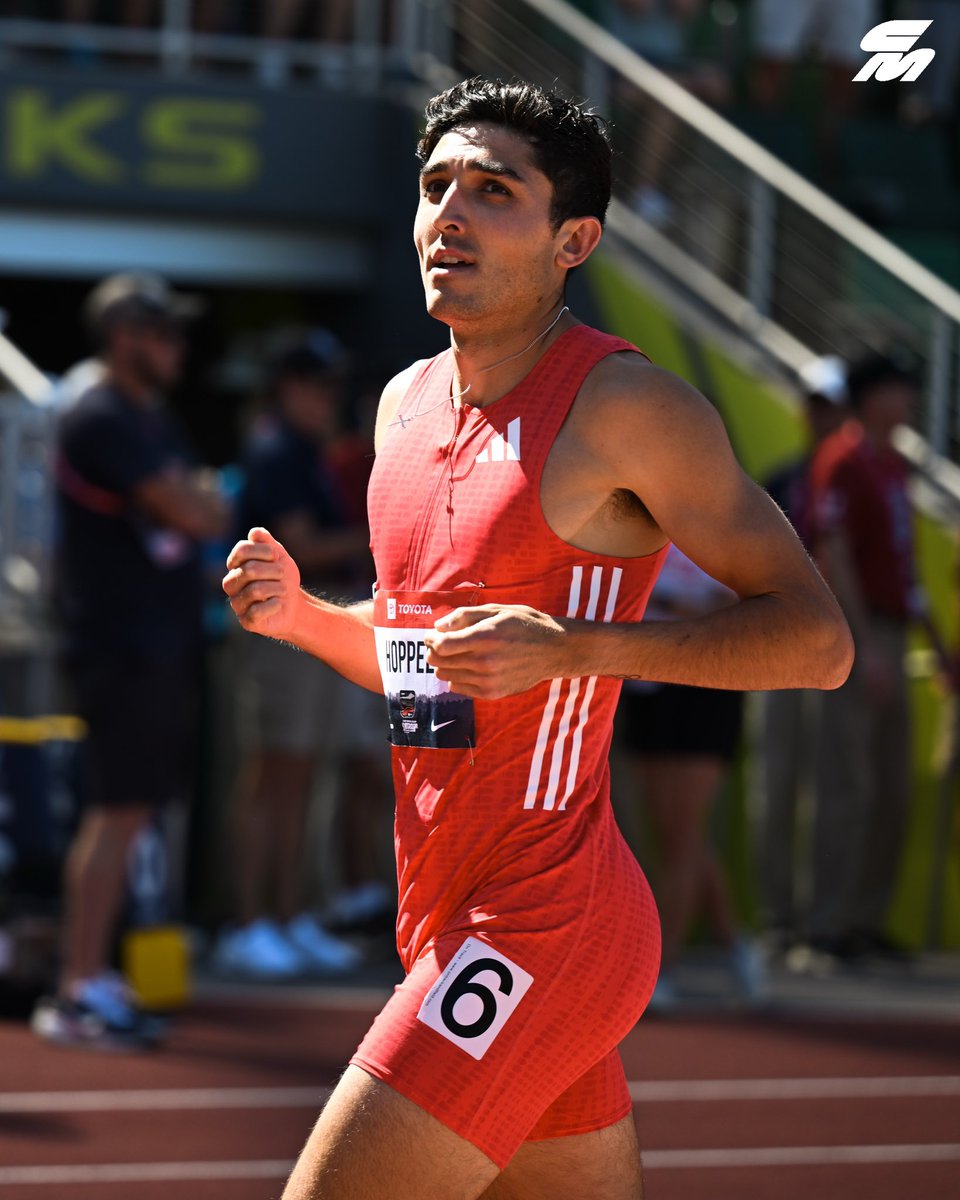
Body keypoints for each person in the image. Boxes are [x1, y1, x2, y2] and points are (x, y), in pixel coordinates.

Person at [223, 77, 852, 1200]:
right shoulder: (402, 406)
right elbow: (432, 666)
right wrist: (307, 620)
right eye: (433, 187)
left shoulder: (628, 407)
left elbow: (816, 644)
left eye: (492, 189)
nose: (449, 214)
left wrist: (578, 647)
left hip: (547, 922)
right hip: (442, 906)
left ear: (575, 240)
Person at [32, 272, 229, 1049]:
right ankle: (78, 987)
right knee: (115, 814)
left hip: (158, 643)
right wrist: (192, 498)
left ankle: (90, 978)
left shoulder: (150, 420)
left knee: (131, 812)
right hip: (119, 644)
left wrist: (195, 498)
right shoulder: (101, 416)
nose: (178, 348)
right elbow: (195, 509)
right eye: (164, 333)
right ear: (124, 338)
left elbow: (208, 505)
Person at [213, 331, 368, 979]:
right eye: (319, 385)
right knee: (272, 778)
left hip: (306, 631)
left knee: (301, 777)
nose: (330, 399)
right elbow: (303, 548)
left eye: (335, 387)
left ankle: (287, 915)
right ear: (290, 387)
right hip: (279, 636)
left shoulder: (304, 451)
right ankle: (249, 924)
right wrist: (385, 532)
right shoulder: (278, 450)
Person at [806, 352, 950, 963]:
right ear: (871, 398)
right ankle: (826, 923)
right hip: (860, 635)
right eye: (897, 391)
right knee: (848, 786)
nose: (908, 404)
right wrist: (862, 645)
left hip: (895, 633)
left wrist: (936, 646)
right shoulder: (843, 458)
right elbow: (833, 556)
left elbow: (906, 568)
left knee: (892, 788)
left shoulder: (894, 468)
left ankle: (866, 918)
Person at [616, 545, 763, 1009]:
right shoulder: (638, 508)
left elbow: (751, 600)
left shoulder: (724, 509)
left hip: (705, 678)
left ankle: (662, 971)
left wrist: (675, 607)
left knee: (680, 835)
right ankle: (734, 944)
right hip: (646, 681)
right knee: (672, 833)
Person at [759, 356, 849, 954]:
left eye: (830, 404)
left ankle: (823, 923)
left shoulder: (853, 474)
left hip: (830, 649)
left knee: (830, 785)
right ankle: (776, 920)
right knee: (775, 781)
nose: (820, 415)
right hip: (769, 646)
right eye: (813, 403)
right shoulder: (783, 479)